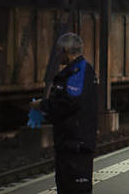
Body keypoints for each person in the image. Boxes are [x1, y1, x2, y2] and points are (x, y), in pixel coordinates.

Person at [30, 33, 98, 194]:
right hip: (70, 143)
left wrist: (41, 105)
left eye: (58, 51)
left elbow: (68, 103)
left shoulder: (78, 71)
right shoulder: (77, 71)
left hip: (76, 144)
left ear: (66, 50)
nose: (57, 55)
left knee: (75, 189)